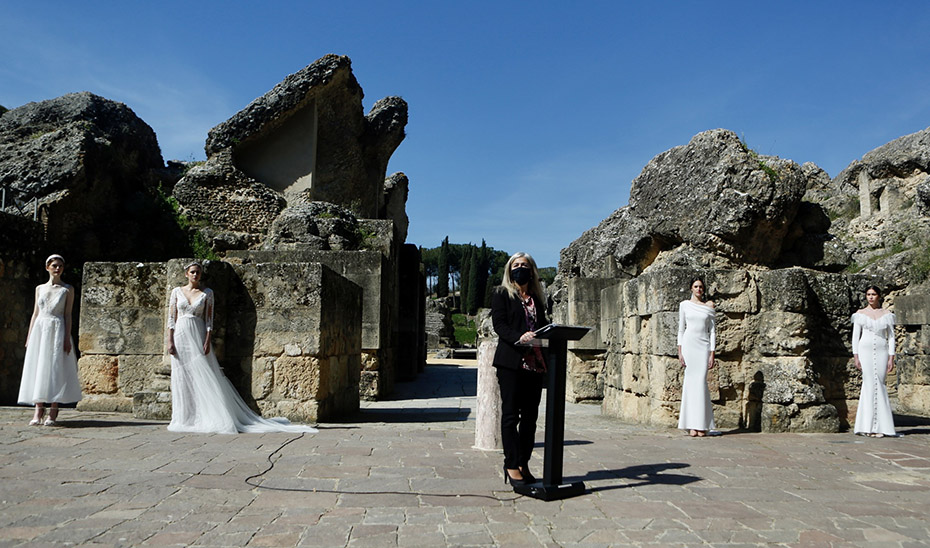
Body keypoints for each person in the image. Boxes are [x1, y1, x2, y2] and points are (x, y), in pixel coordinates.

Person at [166, 261, 316, 434]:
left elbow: (209, 320)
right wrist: (170, 340)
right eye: (192, 272)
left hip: (198, 333)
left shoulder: (207, 293)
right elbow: (172, 318)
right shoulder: (177, 292)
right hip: (180, 335)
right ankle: (183, 417)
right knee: (181, 375)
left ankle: (206, 415)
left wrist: (208, 340)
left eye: (198, 272)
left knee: (205, 374)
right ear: (186, 274)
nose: (195, 275)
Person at [491, 252, 549, 487]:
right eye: (516, 265)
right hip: (511, 363)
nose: (520, 268)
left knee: (530, 419)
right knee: (511, 416)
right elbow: (500, 326)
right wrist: (520, 337)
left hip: (535, 365)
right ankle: (511, 464)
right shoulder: (501, 293)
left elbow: (542, 327)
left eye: (524, 265)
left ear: (532, 270)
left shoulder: (537, 298)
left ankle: (524, 462)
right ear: (509, 270)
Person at [18, 254, 83, 426]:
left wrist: (67, 338)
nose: (57, 268)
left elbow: (68, 315)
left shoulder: (67, 289)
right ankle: (38, 409)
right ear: (47, 267)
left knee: (56, 366)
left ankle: (54, 409)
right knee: (39, 366)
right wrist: (29, 336)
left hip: (58, 328)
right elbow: (35, 313)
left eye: (60, 266)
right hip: (41, 329)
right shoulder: (39, 288)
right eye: (54, 265)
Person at [852, 285, 896, 438]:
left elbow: (891, 337)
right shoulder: (860, 314)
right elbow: (855, 336)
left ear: (879, 296)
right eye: (868, 294)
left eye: (873, 294)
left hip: (882, 350)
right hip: (865, 350)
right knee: (869, 383)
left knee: (881, 383)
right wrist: (856, 356)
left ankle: (882, 427)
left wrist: (892, 357)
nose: (870, 297)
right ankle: (866, 425)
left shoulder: (887, 314)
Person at [677, 276, 716, 437]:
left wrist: (712, 353)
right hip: (689, 345)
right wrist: (680, 351)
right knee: (690, 384)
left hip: (703, 347)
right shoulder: (684, 305)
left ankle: (702, 424)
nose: (698, 289)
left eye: (701, 287)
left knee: (700, 384)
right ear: (691, 288)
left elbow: (712, 331)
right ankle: (691, 424)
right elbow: (681, 329)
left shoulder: (709, 306)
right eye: (695, 286)